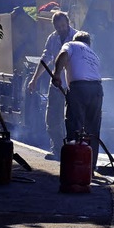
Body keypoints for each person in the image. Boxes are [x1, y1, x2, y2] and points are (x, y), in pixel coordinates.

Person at [28, 11, 77, 160]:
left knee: (70, 120)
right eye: (58, 27)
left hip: (72, 85)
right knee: (52, 119)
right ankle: (58, 151)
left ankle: (72, 151)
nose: (61, 29)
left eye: (63, 25)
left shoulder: (76, 37)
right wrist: (34, 79)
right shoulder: (52, 38)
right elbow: (45, 59)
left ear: (68, 23)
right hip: (56, 84)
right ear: (54, 26)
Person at [51, 31, 103, 172]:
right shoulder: (93, 54)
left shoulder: (71, 45)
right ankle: (89, 167)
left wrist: (56, 74)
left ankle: (74, 165)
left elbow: (63, 55)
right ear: (88, 43)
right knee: (92, 130)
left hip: (79, 88)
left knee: (75, 126)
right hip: (97, 89)